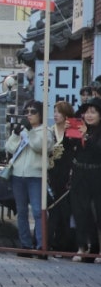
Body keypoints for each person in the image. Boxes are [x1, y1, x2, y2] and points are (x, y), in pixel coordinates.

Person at [4, 100, 53, 258]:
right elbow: (9, 147)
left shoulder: (46, 131)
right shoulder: (22, 130)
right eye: (27, 112)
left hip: (36, 176)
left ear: (41, 114)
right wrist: (16, 133)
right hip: (18, 175)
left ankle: (41, 246)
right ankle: (25, 245)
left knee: (38, 211)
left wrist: (30, 132)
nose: (29, 115)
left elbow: (40, 147)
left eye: (33, 112)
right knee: (22, 211)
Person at [64, 97, 101, 263]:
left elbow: (97, 150)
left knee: (98, 212)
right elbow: (68, 149)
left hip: (97, 173)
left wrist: (86, 135)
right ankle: (81, 247)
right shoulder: (79, 127)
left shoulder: (96, 132)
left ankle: (98, 248)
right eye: (86, 112)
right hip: (79, 173)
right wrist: (67, 134)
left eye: (93, 112)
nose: (89, 115)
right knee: (79, 212)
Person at [47, 100, 75, 253]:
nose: (56, 115)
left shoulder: (72, 131)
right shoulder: (50, 131)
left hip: (67, 174)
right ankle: (49, 242)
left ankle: (61, 244)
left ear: (66, 115)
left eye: (59, 112)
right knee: (52, 209)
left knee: (65, 210)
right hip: (51, 173)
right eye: (55, 111)